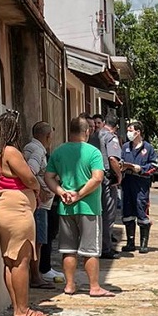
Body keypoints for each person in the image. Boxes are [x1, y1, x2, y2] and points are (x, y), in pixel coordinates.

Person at [44, 116, 115, 298]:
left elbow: (48, 177)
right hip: (88, 207)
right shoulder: (93, 152)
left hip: (66, 207)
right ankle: (94, 287)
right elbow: (97, 178)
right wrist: (80, 194)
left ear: (70, 131)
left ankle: (69, 285)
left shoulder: (59, 151)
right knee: (90, 250)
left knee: (68, 249)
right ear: (87, 131)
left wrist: (61, 192)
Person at [0, 110, 48, 316]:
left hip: (2, 207)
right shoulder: (11, 152)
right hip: (17, 209)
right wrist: (37, 190)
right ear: (14, 130)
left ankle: (17, 307)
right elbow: (30, 178)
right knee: (22, 261)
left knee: (9, 260)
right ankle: (23, 310)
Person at [23, 121, 58, 289]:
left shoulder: (32, 147)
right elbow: (30, 171)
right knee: (38, 241)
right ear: (48, 136)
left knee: (39, 239)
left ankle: (36, 274)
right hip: (39, 204)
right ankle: (36, 276)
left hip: (39, 203)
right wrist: (39, 188)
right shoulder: (37, 150)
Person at [121, 120, 158, 254]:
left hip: (141, 185)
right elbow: (119, 162)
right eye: (128, 130)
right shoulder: (125, 147)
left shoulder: (148, 148)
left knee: (142, 211)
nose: (129, 133)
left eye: (131, 130)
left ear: (138, 132)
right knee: (128, 213)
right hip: (127, 183)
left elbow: (154, 166)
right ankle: (130, 242)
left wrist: (141, 169)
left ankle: (143, 243)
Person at [98, 112, 124, 259]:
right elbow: (113, 159)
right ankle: (106, 248)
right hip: (107, 180)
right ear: (116, 126)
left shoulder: (95, 135)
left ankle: (97, 246)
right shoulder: (111, 137)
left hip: (93, 179)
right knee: (108, 214)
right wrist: (119, 175)